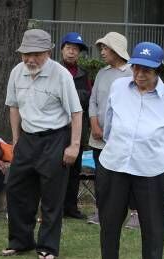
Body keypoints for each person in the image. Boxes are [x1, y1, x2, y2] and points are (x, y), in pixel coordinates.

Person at [85, 42, 164, 259]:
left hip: (152, 170)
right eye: (136, 68)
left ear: (158, 70)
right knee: (109, 220)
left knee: (152, 224)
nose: (140, 74)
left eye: (146, 70)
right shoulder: (118, 87)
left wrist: (155, 155)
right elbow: (109, 125)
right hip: (114, 164)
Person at [2, 29, 83, 259]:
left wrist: (74, 146)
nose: (30, 59)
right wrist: (16, 140)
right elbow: (14, 107)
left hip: (55, 138)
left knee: (51, 195)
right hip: (27, 139)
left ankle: (48, 246)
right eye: (25, 54)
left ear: (48, 52)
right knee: (16, 189)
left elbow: (76, 112)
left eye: (35, 54)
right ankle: (20, 241)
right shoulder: (17, 72)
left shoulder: (61, 75)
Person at [87, 32, 133, 226]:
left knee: (127, 176)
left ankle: (135, 215)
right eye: (102, 48)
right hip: (99, 138)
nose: (102, 52)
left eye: (106, 48)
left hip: (123, 139)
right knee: (102, 177)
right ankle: (101, 212)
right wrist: (94, 124)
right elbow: (93, 100)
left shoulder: (132, 72)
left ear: (116, 50)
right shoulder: (102, 73)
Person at [59, 32, 91, 220]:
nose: (72, 52)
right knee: (56, 170)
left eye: (76, 50)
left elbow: (87, 99)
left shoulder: (83, 75)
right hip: (57, 129)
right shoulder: (54, 70)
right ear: (62, 49)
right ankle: (55, 207)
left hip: (77, 131)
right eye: (69, 48)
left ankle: (71, 207)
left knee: (74, 171)